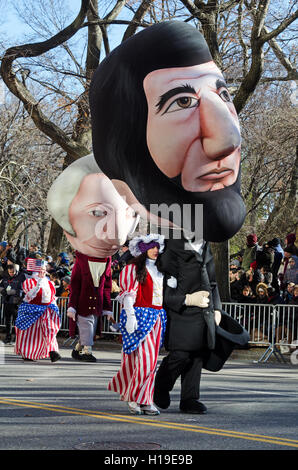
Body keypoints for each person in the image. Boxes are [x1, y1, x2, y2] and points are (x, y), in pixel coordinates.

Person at [47, 154, 140, 362]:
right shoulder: (81, 261)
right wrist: (71, 305)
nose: (116, 235)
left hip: (96, 302)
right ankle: (85, 350)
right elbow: (77, 283)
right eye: (97, 212)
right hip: (82, 302)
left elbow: (106, 285)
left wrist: (107, 307)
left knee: (89, 324)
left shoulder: (107, 261)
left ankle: (80, 347)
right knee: (86, 324)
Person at [108, 234, 167, 416]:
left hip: (156, 317)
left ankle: (143, 398)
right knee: (141, 361)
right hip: (139, 316)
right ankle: (137, 398)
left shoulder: (160, 269)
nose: (155, 250)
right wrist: (131, 315)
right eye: (151, 247)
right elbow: (128, 294)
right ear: (142, 249)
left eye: (157, 247)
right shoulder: (132, 269)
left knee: (150, 362)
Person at [14, 258, 61, 362]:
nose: (43, 272)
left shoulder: (50, 283)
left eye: (44, 270)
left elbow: (52, 297)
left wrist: (54, 308)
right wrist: (39, 282)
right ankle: (28, 353)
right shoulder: (29, 282)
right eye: (41, 270)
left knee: (50, 330)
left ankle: (53, 351)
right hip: (31, 309)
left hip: (47, 310)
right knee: (29, 333)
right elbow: (30, 295)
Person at [0, 264, 26, 344]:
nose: (11, 273)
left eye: (13, 272)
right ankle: (8, 337)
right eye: (10, 272)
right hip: (7, 301)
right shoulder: (5, 276)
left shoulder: (21, 276)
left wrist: (12, 292)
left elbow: (22, 289)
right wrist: (3, 291)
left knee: (17, 321)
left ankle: (17, 338)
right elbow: (1, 286)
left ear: (16, 271)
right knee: (8, 321)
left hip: (16, 302)